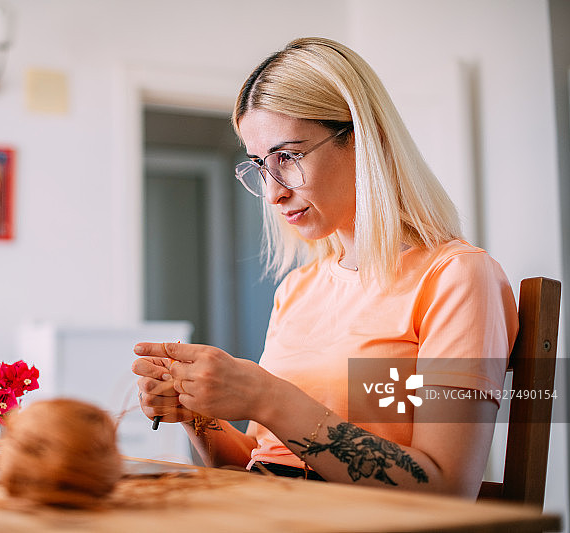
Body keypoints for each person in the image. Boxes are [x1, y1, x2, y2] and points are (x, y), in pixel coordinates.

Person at [132, 37, 518, 498]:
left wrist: (266, 396)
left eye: (288, 158)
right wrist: (196, 411)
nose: (273, 193)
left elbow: (445, 488)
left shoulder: (455, 278)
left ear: (361, 139)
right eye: (260, 166)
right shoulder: (297, 289)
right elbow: (262, 461)